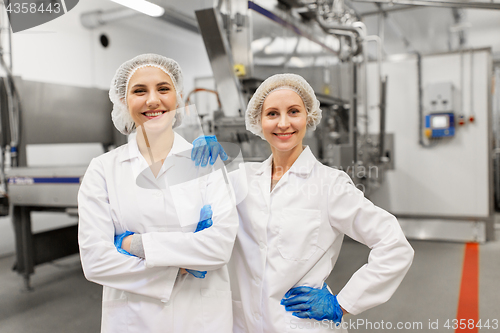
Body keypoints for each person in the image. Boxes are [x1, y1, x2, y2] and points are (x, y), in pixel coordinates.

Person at [194, 73, 415, 332]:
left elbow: (394, 245)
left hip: (302, 324)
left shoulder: (330, 184)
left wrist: (343, 302)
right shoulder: (240, 179)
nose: (283, 123)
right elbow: (190, 212)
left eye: (294, 111)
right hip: (243, 324)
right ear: (258, 121)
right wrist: (200, 167)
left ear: (308, 118)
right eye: (272, 114)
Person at [78, 54, 238, 333]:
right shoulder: (103, 169)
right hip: (132, 320)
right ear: (123, 102)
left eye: (163, 89)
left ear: (178, 97)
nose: (152, 100)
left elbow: (220, 247)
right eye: (139, 91)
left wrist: (135, 246)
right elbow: (95, 261)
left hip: (201, 318)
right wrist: (180, 266)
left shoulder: (206, 162)